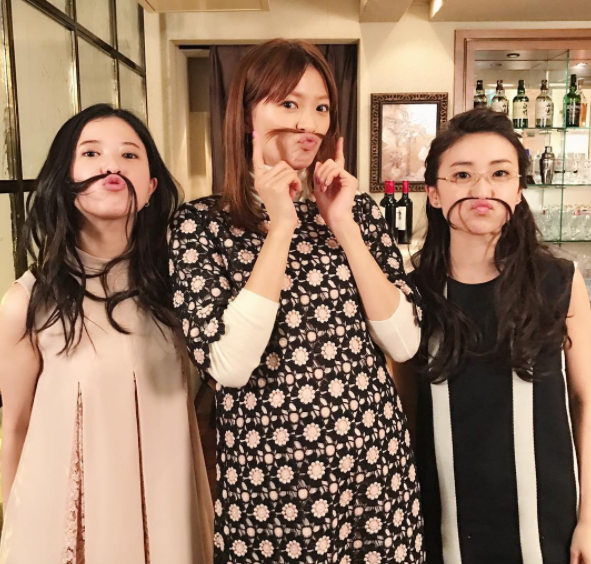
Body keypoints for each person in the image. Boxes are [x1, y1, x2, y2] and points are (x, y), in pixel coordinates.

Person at [169, 39, 425, 563]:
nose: (309, 123)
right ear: (246, 116)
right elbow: (230, 365)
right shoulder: (201, 225)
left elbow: (403, 343)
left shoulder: (356, 212)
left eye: (321, 107)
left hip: (374, 465)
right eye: (289, 103)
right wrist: (281, 225)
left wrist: (343, 224)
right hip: (272, 478)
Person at [0, 104, 213, 564]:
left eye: (129, 155)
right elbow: (14, 427)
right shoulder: (27, 303)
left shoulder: (183, 292)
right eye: (91, 153)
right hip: (67, 524)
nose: (111, 165)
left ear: (151, 187)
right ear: (65, 178)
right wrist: (12, 533)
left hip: (169, 514)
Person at [396, 109, 591, 564]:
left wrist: (589, 517)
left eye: (500, 174)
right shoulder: (411, 292)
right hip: (442, 522)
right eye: (462, 174)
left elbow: (586, 401)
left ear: (518, 190)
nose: (482, 189)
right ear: (434, 193)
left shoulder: (559, 281)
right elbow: (405, 412)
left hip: (549, 523)